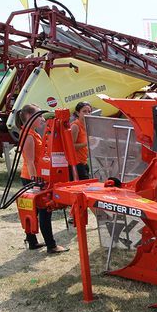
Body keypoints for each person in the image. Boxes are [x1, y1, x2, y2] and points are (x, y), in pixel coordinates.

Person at [17, 104, 68, 254]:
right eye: (38, 115)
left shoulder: (31, 133)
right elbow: (30, 160)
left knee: (33, 210)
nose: (41, 118)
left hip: (32, 176)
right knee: (45, 211)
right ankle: (51, 245)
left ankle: (32, 241)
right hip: (33, 177)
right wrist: (36, 182)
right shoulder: (28, 135)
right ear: (28, 116)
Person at [70, 101, 92, 180]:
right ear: (78, 113)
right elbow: (71, 147)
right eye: (84, 111)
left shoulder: (87, 125)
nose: (87, 114)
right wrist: (87, 143)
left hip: (84, 161)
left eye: (89, 112)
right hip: (76, 163)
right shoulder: (75, 126)